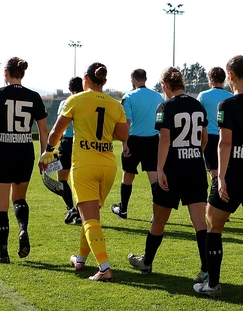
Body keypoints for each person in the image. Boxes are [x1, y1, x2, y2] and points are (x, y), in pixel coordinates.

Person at [193, 55, 243, 306]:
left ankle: (213, 285)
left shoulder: (227, 105)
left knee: (213, 227)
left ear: (230, 76)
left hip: (233, 175)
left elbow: (225, 143)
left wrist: (222, 176)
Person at [43, 62, 129, 281]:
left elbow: (55, 132)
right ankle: (80, 259)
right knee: (90, 216)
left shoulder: (75, 100)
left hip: (84, 165)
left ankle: (104, 268)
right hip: (108, 166)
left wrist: (49, 151)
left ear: (85, 79)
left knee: (89, 218)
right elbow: (123, 135)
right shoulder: (115, 104)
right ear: (105, 82)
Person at [128, 67, 210, 279]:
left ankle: (146, 262)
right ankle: (206, 269)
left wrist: (161, 168)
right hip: (195, 168)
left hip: (173, 169)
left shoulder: (165, 106)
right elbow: (204, 140)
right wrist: (192, 154)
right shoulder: (198, 106)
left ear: (165, 86)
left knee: (159, 220)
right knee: (200, 223)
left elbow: (164, 139)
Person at [0, 57, 49, 263]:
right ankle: (23, 228)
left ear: (6, 73)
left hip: (1, 154)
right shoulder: (34, 97)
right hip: (25, 154)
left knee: (0, 205)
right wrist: (44, 155)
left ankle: (3, 253)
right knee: (19, 199)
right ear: (22, 74)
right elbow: (43, 130)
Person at [111, 69, 164, 219]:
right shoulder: (157, 96)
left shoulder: (129, 97)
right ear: (145, 79)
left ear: (133, 79)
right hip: (154, 140)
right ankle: (156, 214)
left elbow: (126, 123)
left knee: (127, 176)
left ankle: (124, 209)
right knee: (154, 178)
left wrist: (124, 143)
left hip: (134, 140)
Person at [56, 77, 84, 225]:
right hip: (83, 142)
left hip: (67, 142)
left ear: (69, 88)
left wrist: (51, 147)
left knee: (62, 179)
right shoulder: (88, 101)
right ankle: (80, 213)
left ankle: (71, 207)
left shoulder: (65, 102)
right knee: (81, 179)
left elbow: (59, 126)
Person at [197, 66, 233, 180]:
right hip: (226, 135)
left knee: (213, 170)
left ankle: (215, 192)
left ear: (211, 78)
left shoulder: (203, 96)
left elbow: (198, 116)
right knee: (225, 167)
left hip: (209, 136)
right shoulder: (231, 97)